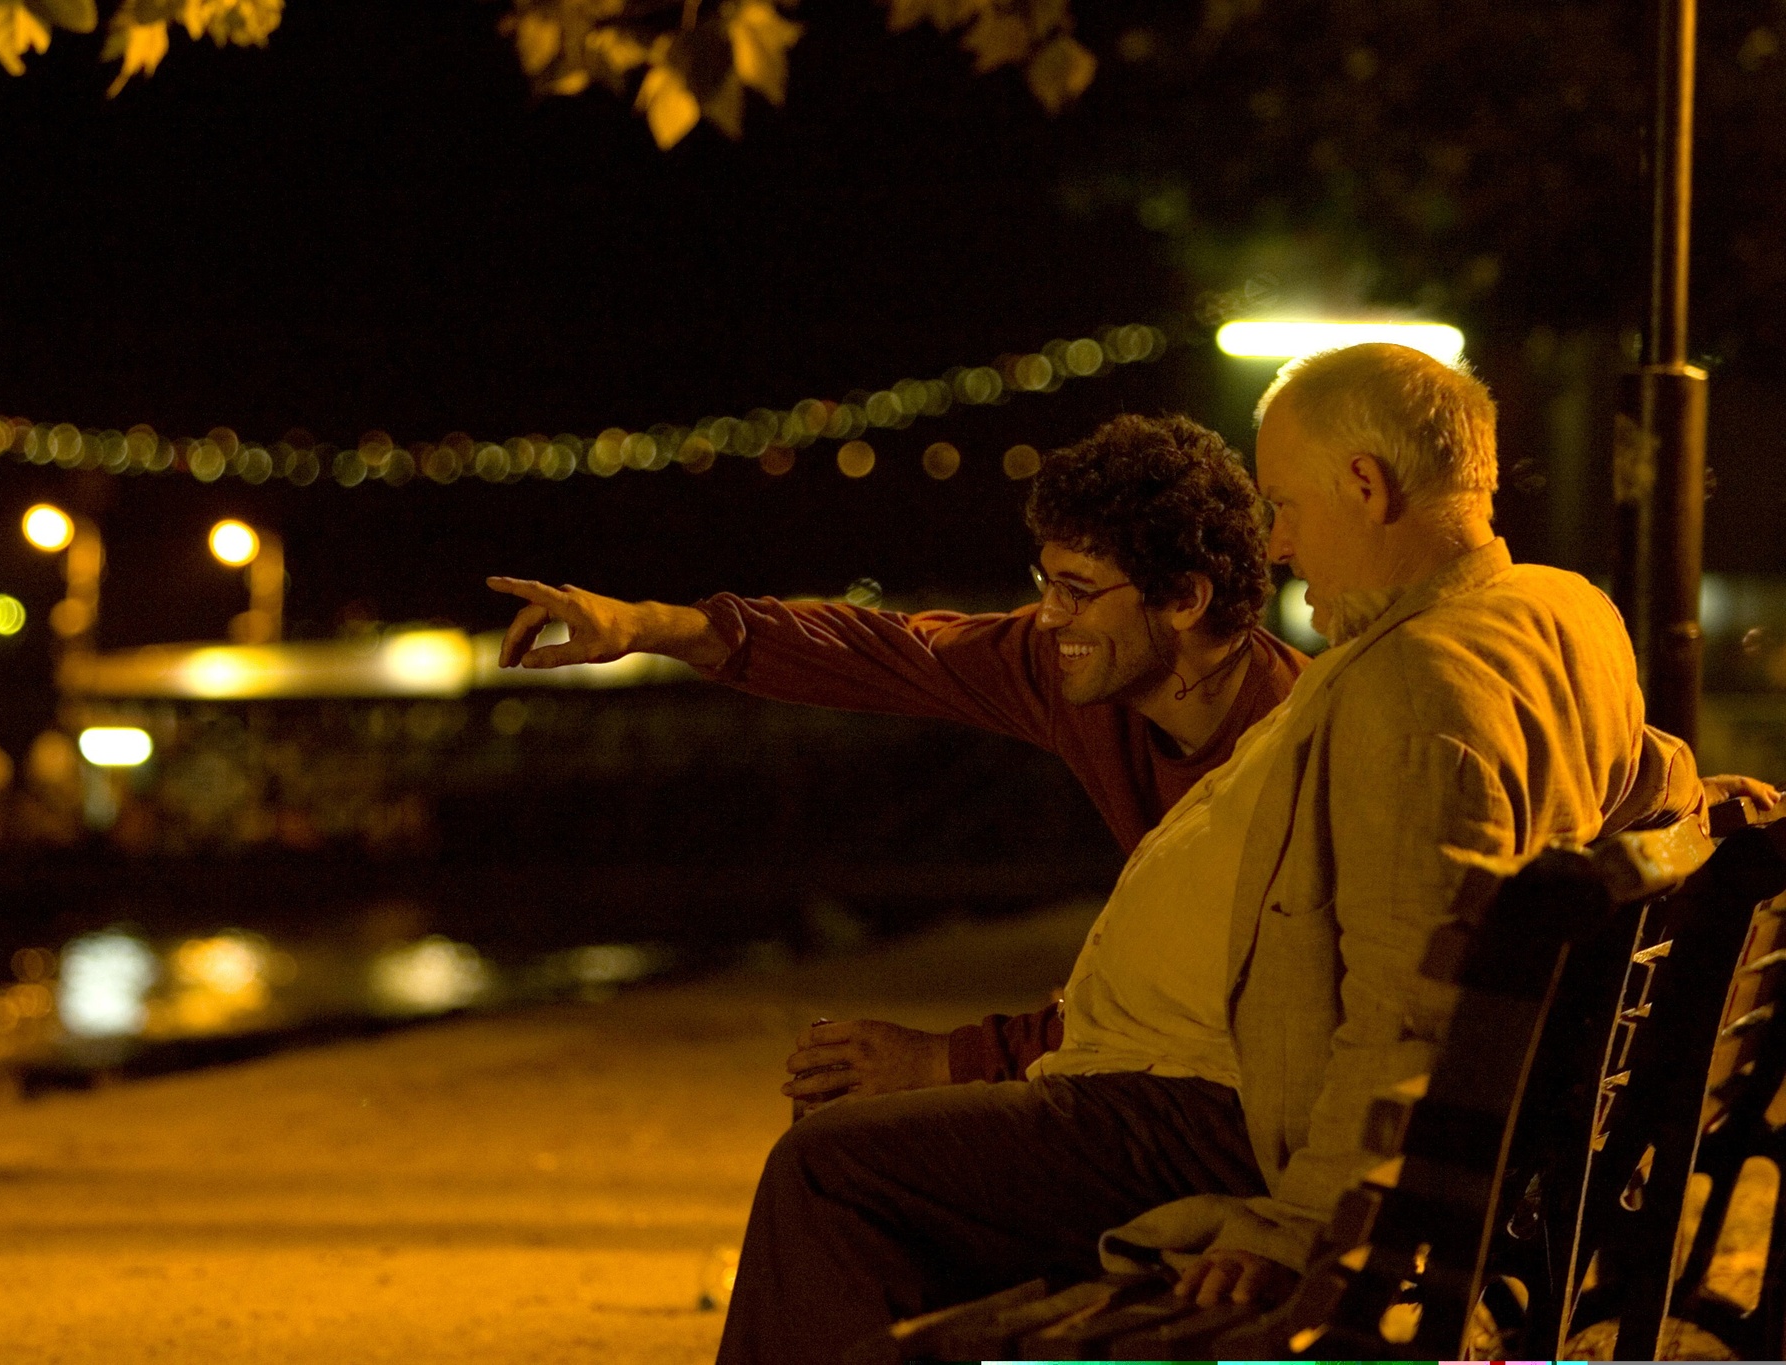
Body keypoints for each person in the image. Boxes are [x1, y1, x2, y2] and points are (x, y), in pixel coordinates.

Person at [684, 341, 1757, 1365]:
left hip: (1213, 1119)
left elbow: (1404, 1009)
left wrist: (1297, 1226)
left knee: (833, 1173)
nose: (1278, 544)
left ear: (1365, 486)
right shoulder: (1557, 612)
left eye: (1284, 505)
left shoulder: (1418, 688)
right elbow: (1632, 773)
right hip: (1231, 1097)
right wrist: (1707, 806)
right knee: (904, 1163)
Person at [490, 413, 1310, 1103]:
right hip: (1168, 1070)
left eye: (1078, 589)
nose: (1051, 616)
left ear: (1186, 598)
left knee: (850, 1142)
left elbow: (1198, 1004)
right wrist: (649, 627)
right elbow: (890, 651)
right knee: (844, 1122)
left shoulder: (1292, 747)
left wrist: (943, 1060)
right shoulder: (1076, 672)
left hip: (1240, 1106)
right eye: (1045, 582)